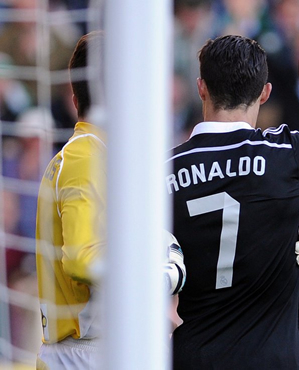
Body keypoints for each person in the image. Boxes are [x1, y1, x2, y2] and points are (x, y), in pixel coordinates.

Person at [167, 34, 299, 369]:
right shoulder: (284, 152)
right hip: (274, 359)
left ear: (201, 88)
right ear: (265, 93)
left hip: (194, 356)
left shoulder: (164, 171)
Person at [35, 31, 186, 370]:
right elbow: (81, 259)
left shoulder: (102, 154)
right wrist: (155, 276)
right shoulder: (84, 156)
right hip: (87, 354)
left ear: (75, 98)